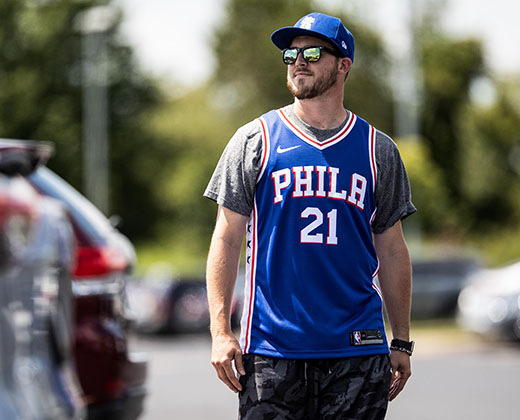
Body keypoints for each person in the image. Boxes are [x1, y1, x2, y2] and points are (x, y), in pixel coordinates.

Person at [204, 11, 416, 420]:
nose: (298, 61)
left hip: (358, 349)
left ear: (343, 65)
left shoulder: (378, 149)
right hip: (271, 352)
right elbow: (226, 238)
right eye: (291, 54)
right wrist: (220, 332)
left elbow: (392, 250)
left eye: (313, 52)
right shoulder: (254, 139)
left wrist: (402, 340)